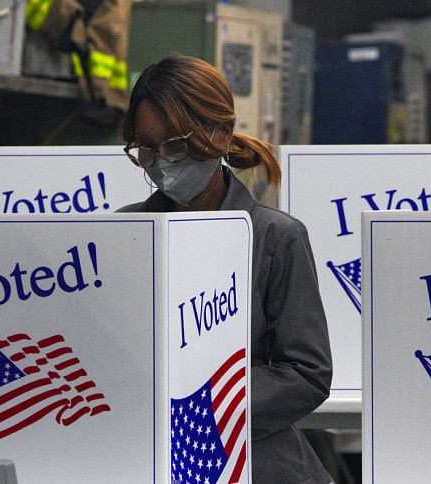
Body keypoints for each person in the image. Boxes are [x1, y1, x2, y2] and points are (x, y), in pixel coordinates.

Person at [117, 54, 334, 483]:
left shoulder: (275, 237)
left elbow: (307, 373)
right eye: (146, 150)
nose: (160, 161)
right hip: (147, 456)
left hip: (254, 457)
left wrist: (204, 408)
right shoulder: (126, 233)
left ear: (222, 133)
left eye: (174, 145)